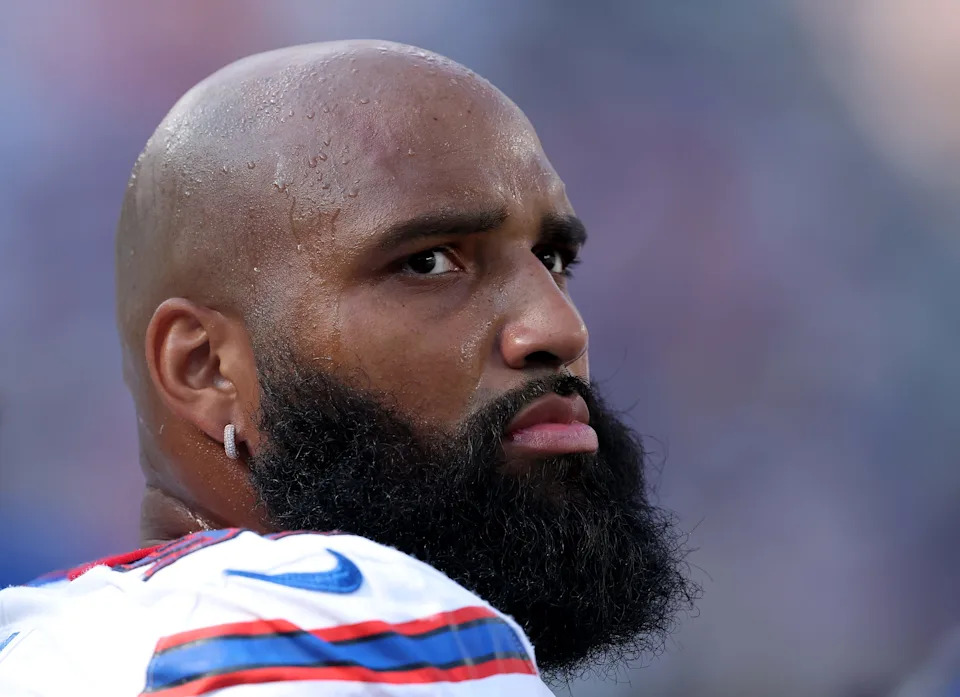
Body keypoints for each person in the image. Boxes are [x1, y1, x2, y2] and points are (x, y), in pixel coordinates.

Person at [0, 41, 695, 695]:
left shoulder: (42, 639)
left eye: (552, 260)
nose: (559, 328)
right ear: (208, 369)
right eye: (429, 262)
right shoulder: (335, 631)